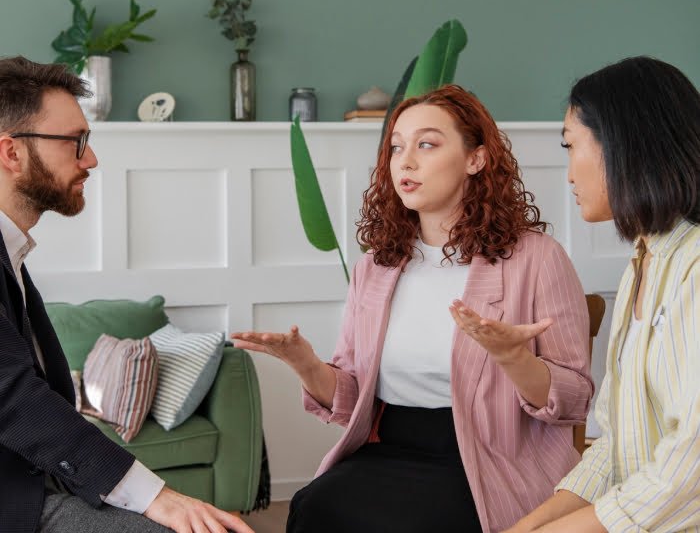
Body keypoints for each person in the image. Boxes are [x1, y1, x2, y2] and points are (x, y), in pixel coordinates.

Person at [232, 84, 593, 532]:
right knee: (313, 506)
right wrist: (304, 363)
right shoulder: (375, 268)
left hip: (491, 460)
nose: (405, 161)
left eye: (427, 144)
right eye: (397, 147)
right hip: (389, 448)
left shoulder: (537, 258)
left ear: (476, 159)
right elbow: (352, 401)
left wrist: (514, 358)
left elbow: (575, 400)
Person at [0, 56, 253, 533]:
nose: (91, 159)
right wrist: (158, 498)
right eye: (75, 142)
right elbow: (12, 398)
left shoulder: (12, 254)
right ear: (12, 153)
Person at [505, 56, 700, 533]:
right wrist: (528, 527)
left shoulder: (694, 268)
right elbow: (614, 447)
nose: (569, 174)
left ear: (623, 145)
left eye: (571, 146)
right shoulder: (642, 263)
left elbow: (689, 468)